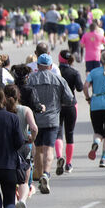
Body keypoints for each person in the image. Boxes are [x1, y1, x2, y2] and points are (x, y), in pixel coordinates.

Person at [25, 54, 74, 194]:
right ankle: (46, 174)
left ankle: (40, 176)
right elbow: (70, 99)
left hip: (35, 119)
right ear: (51, 66)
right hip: (52, 119)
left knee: (38, 150)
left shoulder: (31, 79)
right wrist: (59, 103)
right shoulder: (58, 79)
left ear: (38, 66)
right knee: (49, 149)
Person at [3, 86, 37, 208]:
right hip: (23, 147)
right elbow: (34, 128)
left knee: (10, 184)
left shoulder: (2, 111)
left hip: (7, 148)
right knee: (24, 180)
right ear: (19, 95)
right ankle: (22, 200)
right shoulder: (25, 110)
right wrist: (32, 139)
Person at [55, 50, 84, 175]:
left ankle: (59, 157)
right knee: (70, 133)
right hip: (71, 104)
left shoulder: (55, 72)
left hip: (57, 105)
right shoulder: (74, 72)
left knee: (58, 133)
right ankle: (68, 163)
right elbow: (80, 88)